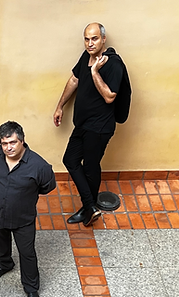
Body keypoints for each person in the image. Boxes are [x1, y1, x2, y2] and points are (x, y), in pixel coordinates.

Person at [53, 23, 123, 226]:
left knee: (91, 167)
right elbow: (74, 80)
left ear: (103, 39)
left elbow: (109, 97)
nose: (90, 43)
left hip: (100, 128)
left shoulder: (113, 64)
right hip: (83, 124)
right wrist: (60, 106)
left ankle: (88, 208)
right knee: (70, 159)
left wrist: (94, 72)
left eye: (94, 39)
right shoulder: (86, 56)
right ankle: (90, 207)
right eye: (86, 39)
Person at [0, 121, 56, 297]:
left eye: (13, 142)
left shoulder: (39, 166)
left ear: (22, 141)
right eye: (4, 143)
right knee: (0, 243)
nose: (8, 147)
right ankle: (5, 264)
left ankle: (31, 289)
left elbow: (47, 187)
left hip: (23, 219)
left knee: (27, 253)